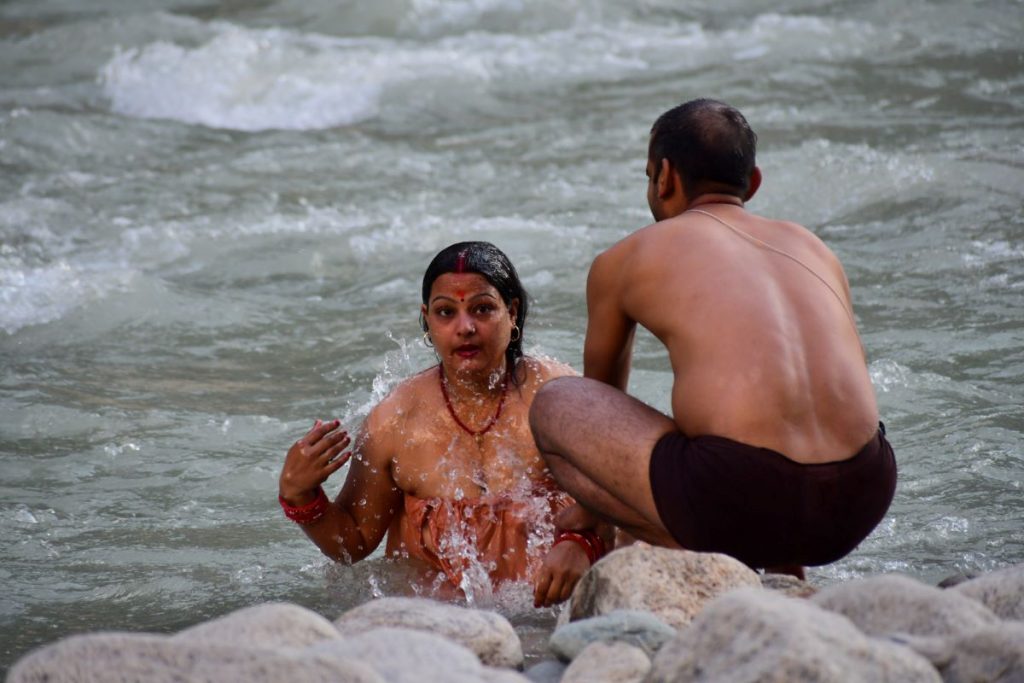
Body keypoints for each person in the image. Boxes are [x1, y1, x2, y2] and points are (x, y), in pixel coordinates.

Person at [528, 98, 896, 576]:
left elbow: (598, 403)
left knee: (557, 403)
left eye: (648, 175)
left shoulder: (627, 258)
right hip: (861, 496)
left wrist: (590, 515)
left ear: (665, 177)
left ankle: (691, 555)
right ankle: (787, 572)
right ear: (754, 182)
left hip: (740, 495)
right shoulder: (814, 248)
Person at [278, 241, 605, 607]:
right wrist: (301, 497)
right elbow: (352, 543)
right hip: (430, 619)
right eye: (446, 312)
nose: (465, 327)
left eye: (482, 309)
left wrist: (582, 542)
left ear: (512, 312)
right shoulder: (395, 420)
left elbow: (624, 500)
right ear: (427, 321)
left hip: (546, 609)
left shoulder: (558, 401)